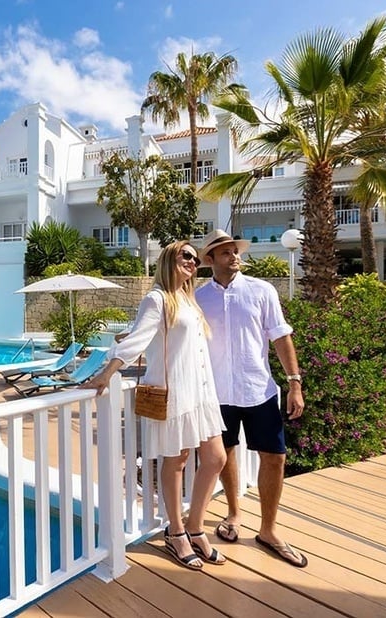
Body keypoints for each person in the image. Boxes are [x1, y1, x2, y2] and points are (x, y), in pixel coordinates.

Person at [86, 240, 227, 571]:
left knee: (216, 458)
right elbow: (137, 339)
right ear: (169, 260)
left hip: (202, 394)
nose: (193, 262)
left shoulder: (189, 301)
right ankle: (176, 532)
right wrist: (106, 373)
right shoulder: (158, 299)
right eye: (186, 256)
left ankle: (194, 525)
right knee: (176, 462)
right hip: (175, 392)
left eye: (196, 259)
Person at [195, 229, 308, 567]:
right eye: (225, 252)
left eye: (235, 250)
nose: (234, 256)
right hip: (217, 394)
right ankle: (232, 514)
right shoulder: (200, 299)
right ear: (211, 260)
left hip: (259, 391)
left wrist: (295, 383)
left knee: (275, 458)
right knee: (224, 455)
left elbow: (280, 336)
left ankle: (269, 530)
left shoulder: (262, 291)